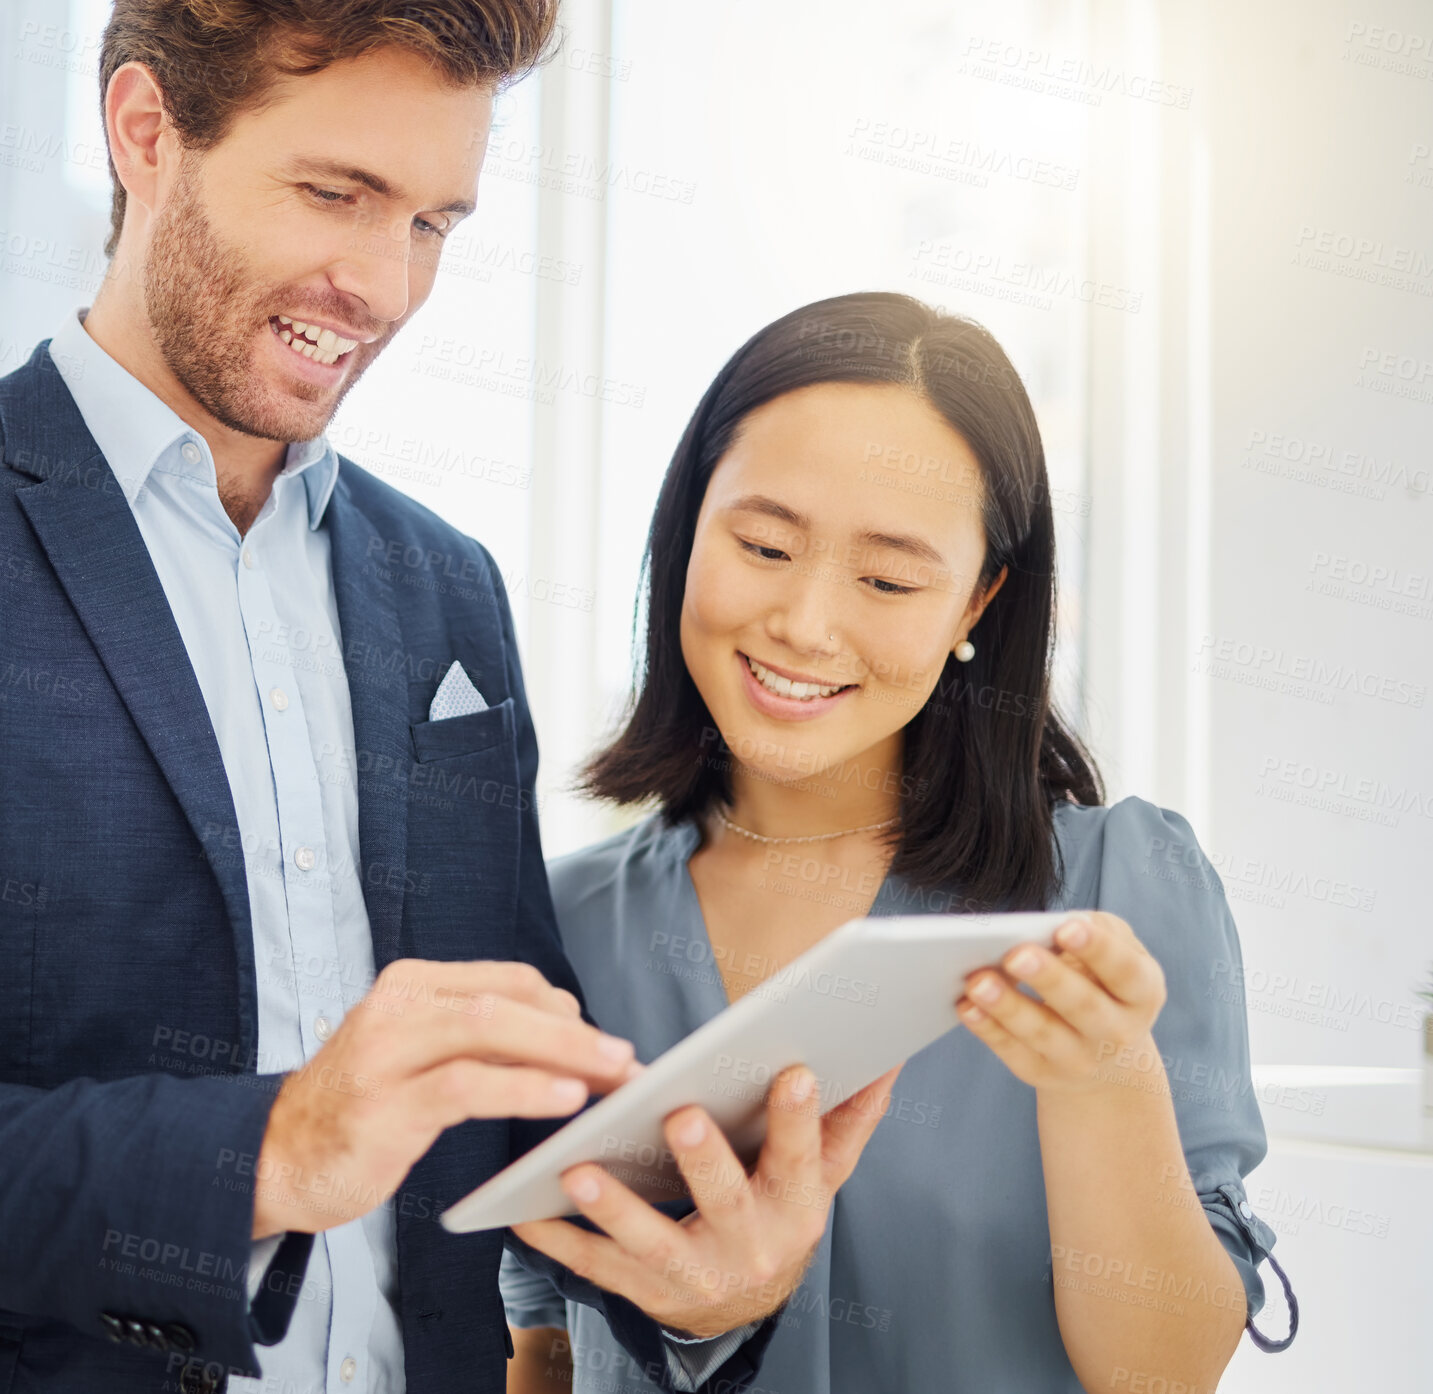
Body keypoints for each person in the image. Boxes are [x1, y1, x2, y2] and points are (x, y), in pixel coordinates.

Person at [0, 6, 898, 1392]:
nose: (381, 282)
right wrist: (277, 1151)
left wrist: (707, 1274)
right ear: (145, 134)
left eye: (433, 223)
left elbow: (502, 1125)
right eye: (334, 193)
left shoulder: (444, 593)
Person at [500, 292, 1298, 1393]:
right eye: (765, 543)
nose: (805, 623)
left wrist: (1104, 1078)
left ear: (977, 599)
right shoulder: (553, 923)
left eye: (886, 579)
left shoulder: (1115, 888)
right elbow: (535, 1346)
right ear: (687, 527)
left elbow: (1163, 1374)